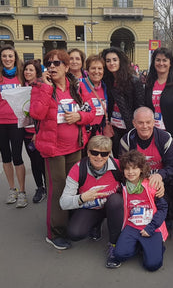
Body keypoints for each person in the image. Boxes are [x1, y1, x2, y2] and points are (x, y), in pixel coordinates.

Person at [29, 49, 95, 250]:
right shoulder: (40, 87)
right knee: (57, 190)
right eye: (48, 63)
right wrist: (47, 89)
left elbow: (92, 111)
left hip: (75, 146)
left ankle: (72, 224)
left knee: (73, 187)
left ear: (67, 67)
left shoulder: (77, 87)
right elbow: (36, 114)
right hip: (53, 149)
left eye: (57, 63)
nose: (51, 66)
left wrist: (80, 118)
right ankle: (55, 233)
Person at [59, 136, 123, 267]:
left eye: (104, 153)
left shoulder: (118, 165)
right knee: (75, 233)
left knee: (116, 200)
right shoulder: (78, 169)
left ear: (109, 154)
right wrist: (82, 198)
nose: (99, 157)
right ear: (88, 152)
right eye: (94, 152)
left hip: (112, 207)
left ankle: (114, 244)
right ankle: (96, 224)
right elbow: (63, 202)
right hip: (90, 207)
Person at [0, 45, 28, 208]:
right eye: (4, 56)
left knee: (17, 156)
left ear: (15, 58)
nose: (8, 59)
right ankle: (12, 188)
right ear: (0, 58)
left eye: (10, 56)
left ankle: (22, 191)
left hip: (17, 122)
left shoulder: (22, 76)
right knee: (6, 157)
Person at [115, 150, 168, 271]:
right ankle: (140, 245)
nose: (131, 172)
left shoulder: (152, 185)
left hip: (151, 226)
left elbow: (163, 208)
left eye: (134, 168)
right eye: (127, 169)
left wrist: (151, 227)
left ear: (141, 169)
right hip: (132, 225)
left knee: (152, 265)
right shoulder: (122, 187)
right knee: (119, 255)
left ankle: (155, 246)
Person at [145, 47, 173, 160]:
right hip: (153, 134)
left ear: (170, 63)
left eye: (165, 60)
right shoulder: (149, 82)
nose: (161, 63)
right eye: (158, 60)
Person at [120, 107, 173, 196]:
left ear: (154, 122)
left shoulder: (165, 139)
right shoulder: (126, 140)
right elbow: (123, 169)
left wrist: (160, 176)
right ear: (134, 123)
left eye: (148, 122)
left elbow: (172, 166)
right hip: (134, 183)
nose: (145, 126)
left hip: (160, 183)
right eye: (140, 123)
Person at [102, 47, 144, 156]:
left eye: (115, 60)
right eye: (108, 61)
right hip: (113, 128)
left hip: (129, 128)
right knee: (117, 158)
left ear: (120, 61)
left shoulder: (133, 81)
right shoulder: (107, 80)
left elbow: (140, 106)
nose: (111, 63)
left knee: (130, 159)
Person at [22, 59, 47, 203]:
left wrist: (38, 132)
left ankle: (49, 188)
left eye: (31, 70)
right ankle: (40, 187)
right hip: (25, 130)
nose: (28, 72)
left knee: (42, 162)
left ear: (37, 72)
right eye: (26, 69)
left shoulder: (42, 87)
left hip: (39, 132)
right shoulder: (22, 87)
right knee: (34, 161)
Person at [79, 55, 109, 138]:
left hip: (99, 133)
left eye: (100, 68)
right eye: (93, 68)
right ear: (87, 71)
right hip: (84, 133)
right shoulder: (79, 85)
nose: (96, 71)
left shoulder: (104, 87)